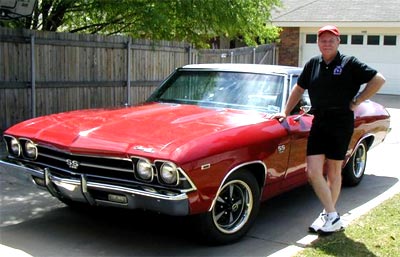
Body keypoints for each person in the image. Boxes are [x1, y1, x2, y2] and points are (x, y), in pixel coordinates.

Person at [274, 25, 385, 233]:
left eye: (331, 40)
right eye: (323, 40)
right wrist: (286, 112)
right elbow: (299, 88)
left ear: (338, 42)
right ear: (318, 43)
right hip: (319, 121)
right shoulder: (313, 64)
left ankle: (328, 215)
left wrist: (358, 100)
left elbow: (378, 79)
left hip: (340, 121)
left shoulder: (349, 63)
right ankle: (333, 215)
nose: (327, 43)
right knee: (313, 172)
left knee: (334, 171)